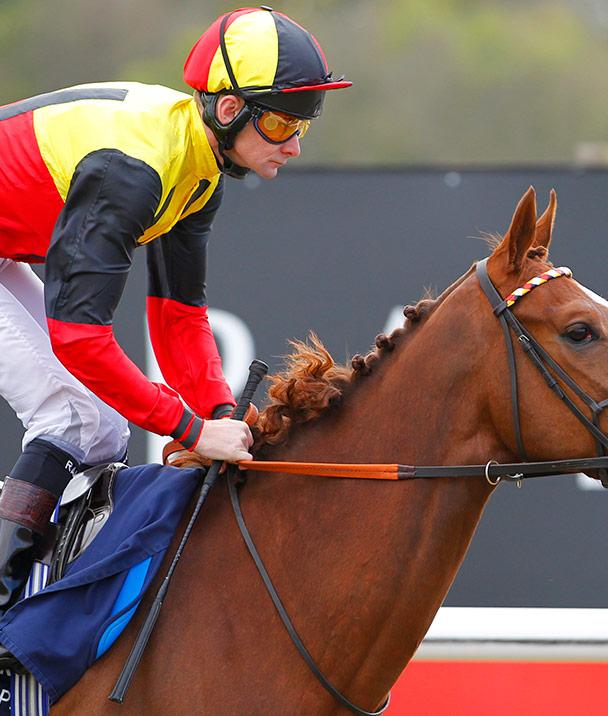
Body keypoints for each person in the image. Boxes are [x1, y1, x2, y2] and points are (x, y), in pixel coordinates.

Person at [0, 6, 351, 612]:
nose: (293, 146)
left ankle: (49, 591)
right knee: (75, 423)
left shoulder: (198, 166)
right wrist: (188, 428)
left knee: (103, 429)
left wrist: (220, 415)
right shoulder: (133, 169)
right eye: (279, 123)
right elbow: (79, 338)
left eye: (304, 126)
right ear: (227, 108)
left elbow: (177, 316)